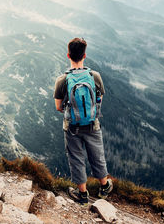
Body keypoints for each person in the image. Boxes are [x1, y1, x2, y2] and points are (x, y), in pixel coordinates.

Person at [53, 38, 113, 205]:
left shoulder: (62, 80)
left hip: (72, 127)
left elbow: (58, 107)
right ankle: (105, 186)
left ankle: (83, 195)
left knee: (76, 158)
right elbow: (99, 98)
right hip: (92, 124)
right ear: (84, 55)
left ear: (68, 55)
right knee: (97, 156)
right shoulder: (94, 76)